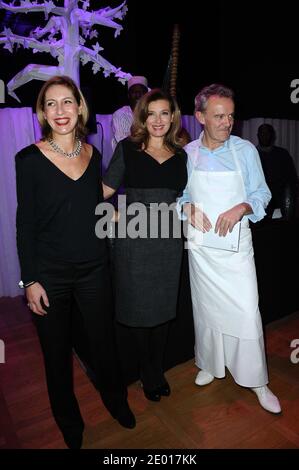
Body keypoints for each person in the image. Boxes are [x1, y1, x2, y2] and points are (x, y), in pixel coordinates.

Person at [15, 75, 135, 449]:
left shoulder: (93, 153)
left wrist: (133, 218)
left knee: (104, 343)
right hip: (50, 275)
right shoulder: (29, 160)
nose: (60, 110)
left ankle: (116, 401)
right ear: (42, 112)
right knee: (56, 354)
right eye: (51, 103)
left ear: (80, 107)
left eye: (67, 102)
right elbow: (26, 223)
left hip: (94, 268)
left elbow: (93, 208)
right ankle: (68, 420)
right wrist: (30, 280)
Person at [178, 83, 281, 414]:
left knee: (247, 312)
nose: (226, 123)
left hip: (237, 249)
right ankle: (210, 363)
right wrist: (187, 208)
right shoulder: (187, 154)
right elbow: (180, 197)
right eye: (218, 116)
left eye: (231, 116)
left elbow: (262, 195)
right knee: (205, 310)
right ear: (200, 117)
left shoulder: (245, 150)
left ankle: (257, 380)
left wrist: (241, 208)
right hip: (202, 250)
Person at [102, 89, 187, 401]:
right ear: (142, 116)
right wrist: (107, 210)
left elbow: (187, 196)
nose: (158, 120)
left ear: (172, 118)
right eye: (151, 113)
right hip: (134, 242)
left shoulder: (182, 155)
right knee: (139, 311)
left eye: (164, 113)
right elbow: (104, 189)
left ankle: (157, 369)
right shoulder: (127, 148)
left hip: (168, 242)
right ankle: (146, 372)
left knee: (163, 309)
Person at [257, 123, 298, 219]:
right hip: (260, 203)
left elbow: (292, 179)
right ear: (258, 135)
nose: (264, 136)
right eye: (262, 133)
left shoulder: (282, 154)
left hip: (282, 202)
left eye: (267, 133)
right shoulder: (252, 154)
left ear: (272, 135)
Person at [111, 75, 149, 150]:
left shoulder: (152, 113)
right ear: (128, 95)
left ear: (147, 95)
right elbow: (125, 143)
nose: (138, 95)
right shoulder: (120, 114)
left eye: (141, 92)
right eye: (134, 92)